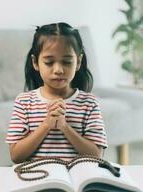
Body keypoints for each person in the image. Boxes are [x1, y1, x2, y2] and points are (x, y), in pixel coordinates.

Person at [6, 22, 107, 164]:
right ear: (35, 62)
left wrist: (65, 127)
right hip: (38, 179)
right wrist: (47, 124)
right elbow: (16, 156)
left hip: (76, 181)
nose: (58, 70)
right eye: (49, 62)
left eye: (66, 62)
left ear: (78, 62)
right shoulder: (24, 102)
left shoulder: (89, 103)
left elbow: (97, 155)